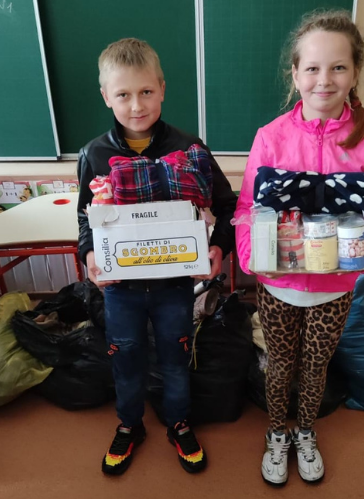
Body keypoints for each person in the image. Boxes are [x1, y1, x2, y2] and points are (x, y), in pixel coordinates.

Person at [233, 10, 364, 486]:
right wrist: (249, 257)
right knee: (280, 363)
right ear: (295, 74)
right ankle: (276, 433)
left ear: (354, 73)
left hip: (335, 285)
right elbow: (247, 206)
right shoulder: (271, 137)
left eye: (338, 67)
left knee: (316, 363)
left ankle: (306, 431)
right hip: (279, 283)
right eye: (313, 68)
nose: (325, 79)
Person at [77, 38, 237, 476]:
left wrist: (219, 245)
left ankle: (179, 422)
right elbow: (84, 219)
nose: (135, 105)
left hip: (174, 286)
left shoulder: (189, 149)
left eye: (146, 92)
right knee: (125, 355)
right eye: (123, 94)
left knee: (176, 353)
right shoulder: (95, 154)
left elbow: (227, 206)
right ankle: (130, 425)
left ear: (163, 89)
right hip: (122, 289)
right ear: (106, 96)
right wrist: (90, 255)